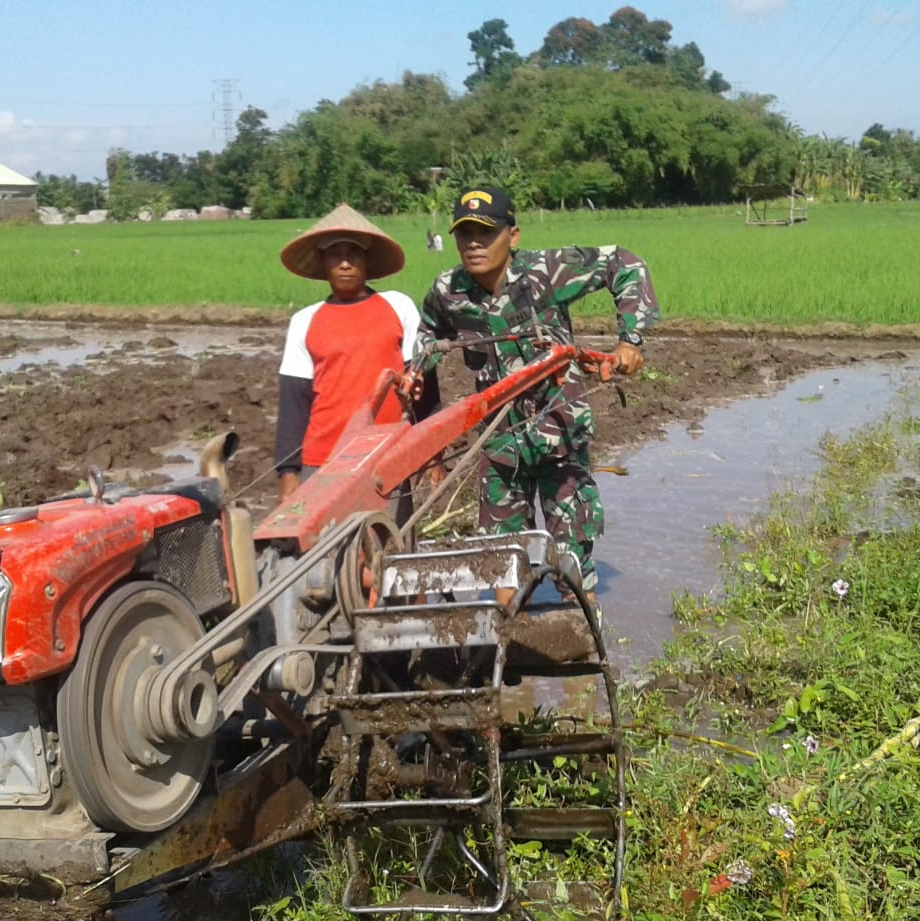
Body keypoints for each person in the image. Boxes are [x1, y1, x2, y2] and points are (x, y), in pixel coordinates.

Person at [415, 186, 657, 608]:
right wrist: (427, 424)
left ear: (513, 235)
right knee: (502, 564)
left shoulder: (547, 271)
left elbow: (625, 262)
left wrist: (629, 340)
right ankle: (511, 653)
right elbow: (425, 348)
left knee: (572, 564)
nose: (474, 243)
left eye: (486, 232)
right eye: (464, 233)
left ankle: (582, 652)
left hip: (558, 434)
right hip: (499, 443)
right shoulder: (447, 291)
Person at [275, 204, 434, 499]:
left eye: (354, 254)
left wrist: (431, 451)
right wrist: (288, 473)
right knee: (325, 543)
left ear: (367, 260)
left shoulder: (398, 306)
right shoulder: (305, 321)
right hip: (322, 458)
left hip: (388, 455)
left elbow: (423, 385)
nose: (345, 263)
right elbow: (293, 404)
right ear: (322, 262)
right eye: (335, 254)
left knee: (389, 539)